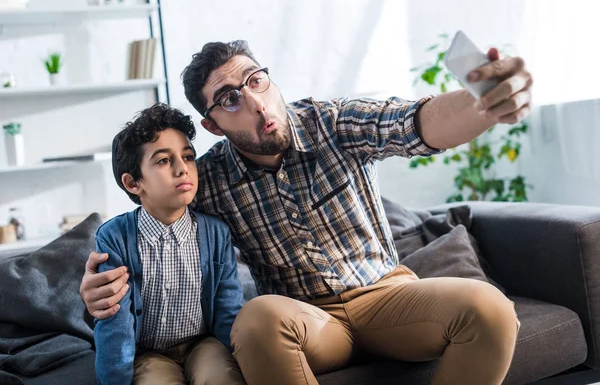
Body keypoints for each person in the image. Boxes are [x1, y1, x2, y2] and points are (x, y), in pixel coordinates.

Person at [81, 39, 533, 385]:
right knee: (257, 318)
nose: (255, 103)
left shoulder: (332, 122)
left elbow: (416, 122)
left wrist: (481, 103)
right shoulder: (206, 178)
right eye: (230, 98)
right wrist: (91, 292)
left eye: (256, 80)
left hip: (386, 299)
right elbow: (147, 228)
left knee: (489, 308)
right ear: (213, 125)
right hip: (307, 321)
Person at [93, 104, 245, 385]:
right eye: (163, 161)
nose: (182, 169)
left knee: (223, 378)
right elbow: (115, 323)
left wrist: (244, 354)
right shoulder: (114, 238)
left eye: (188, 157)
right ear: (133, 183)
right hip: (150, 353)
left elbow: (228, 308)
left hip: (204, 344)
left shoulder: (215, 233)